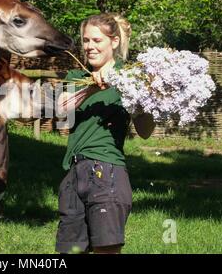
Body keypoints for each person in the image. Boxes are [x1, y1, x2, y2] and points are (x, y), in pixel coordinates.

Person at [56, 13, 155, 254]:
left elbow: (145, 132)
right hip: (73, 175)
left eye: (96, 40)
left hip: (107, 173)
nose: (89, 46)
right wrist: (91, 87)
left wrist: (148, 98)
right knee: (70, 251)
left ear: (114, 41)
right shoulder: (76, 78)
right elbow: (60, 114)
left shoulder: (130, 77)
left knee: (106, 251)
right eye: (86, 40)